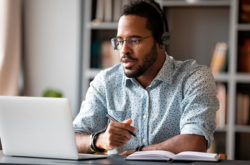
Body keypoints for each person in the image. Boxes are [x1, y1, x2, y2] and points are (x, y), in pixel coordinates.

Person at [73, 0, 219, 156]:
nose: (123, 51)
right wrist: (99, 140)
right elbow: (72, 139)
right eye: (120, 41)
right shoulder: (106, 81)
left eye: (134, 40)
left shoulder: (194, 78)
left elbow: (194, 143)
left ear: (162, 40)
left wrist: (138, 152)